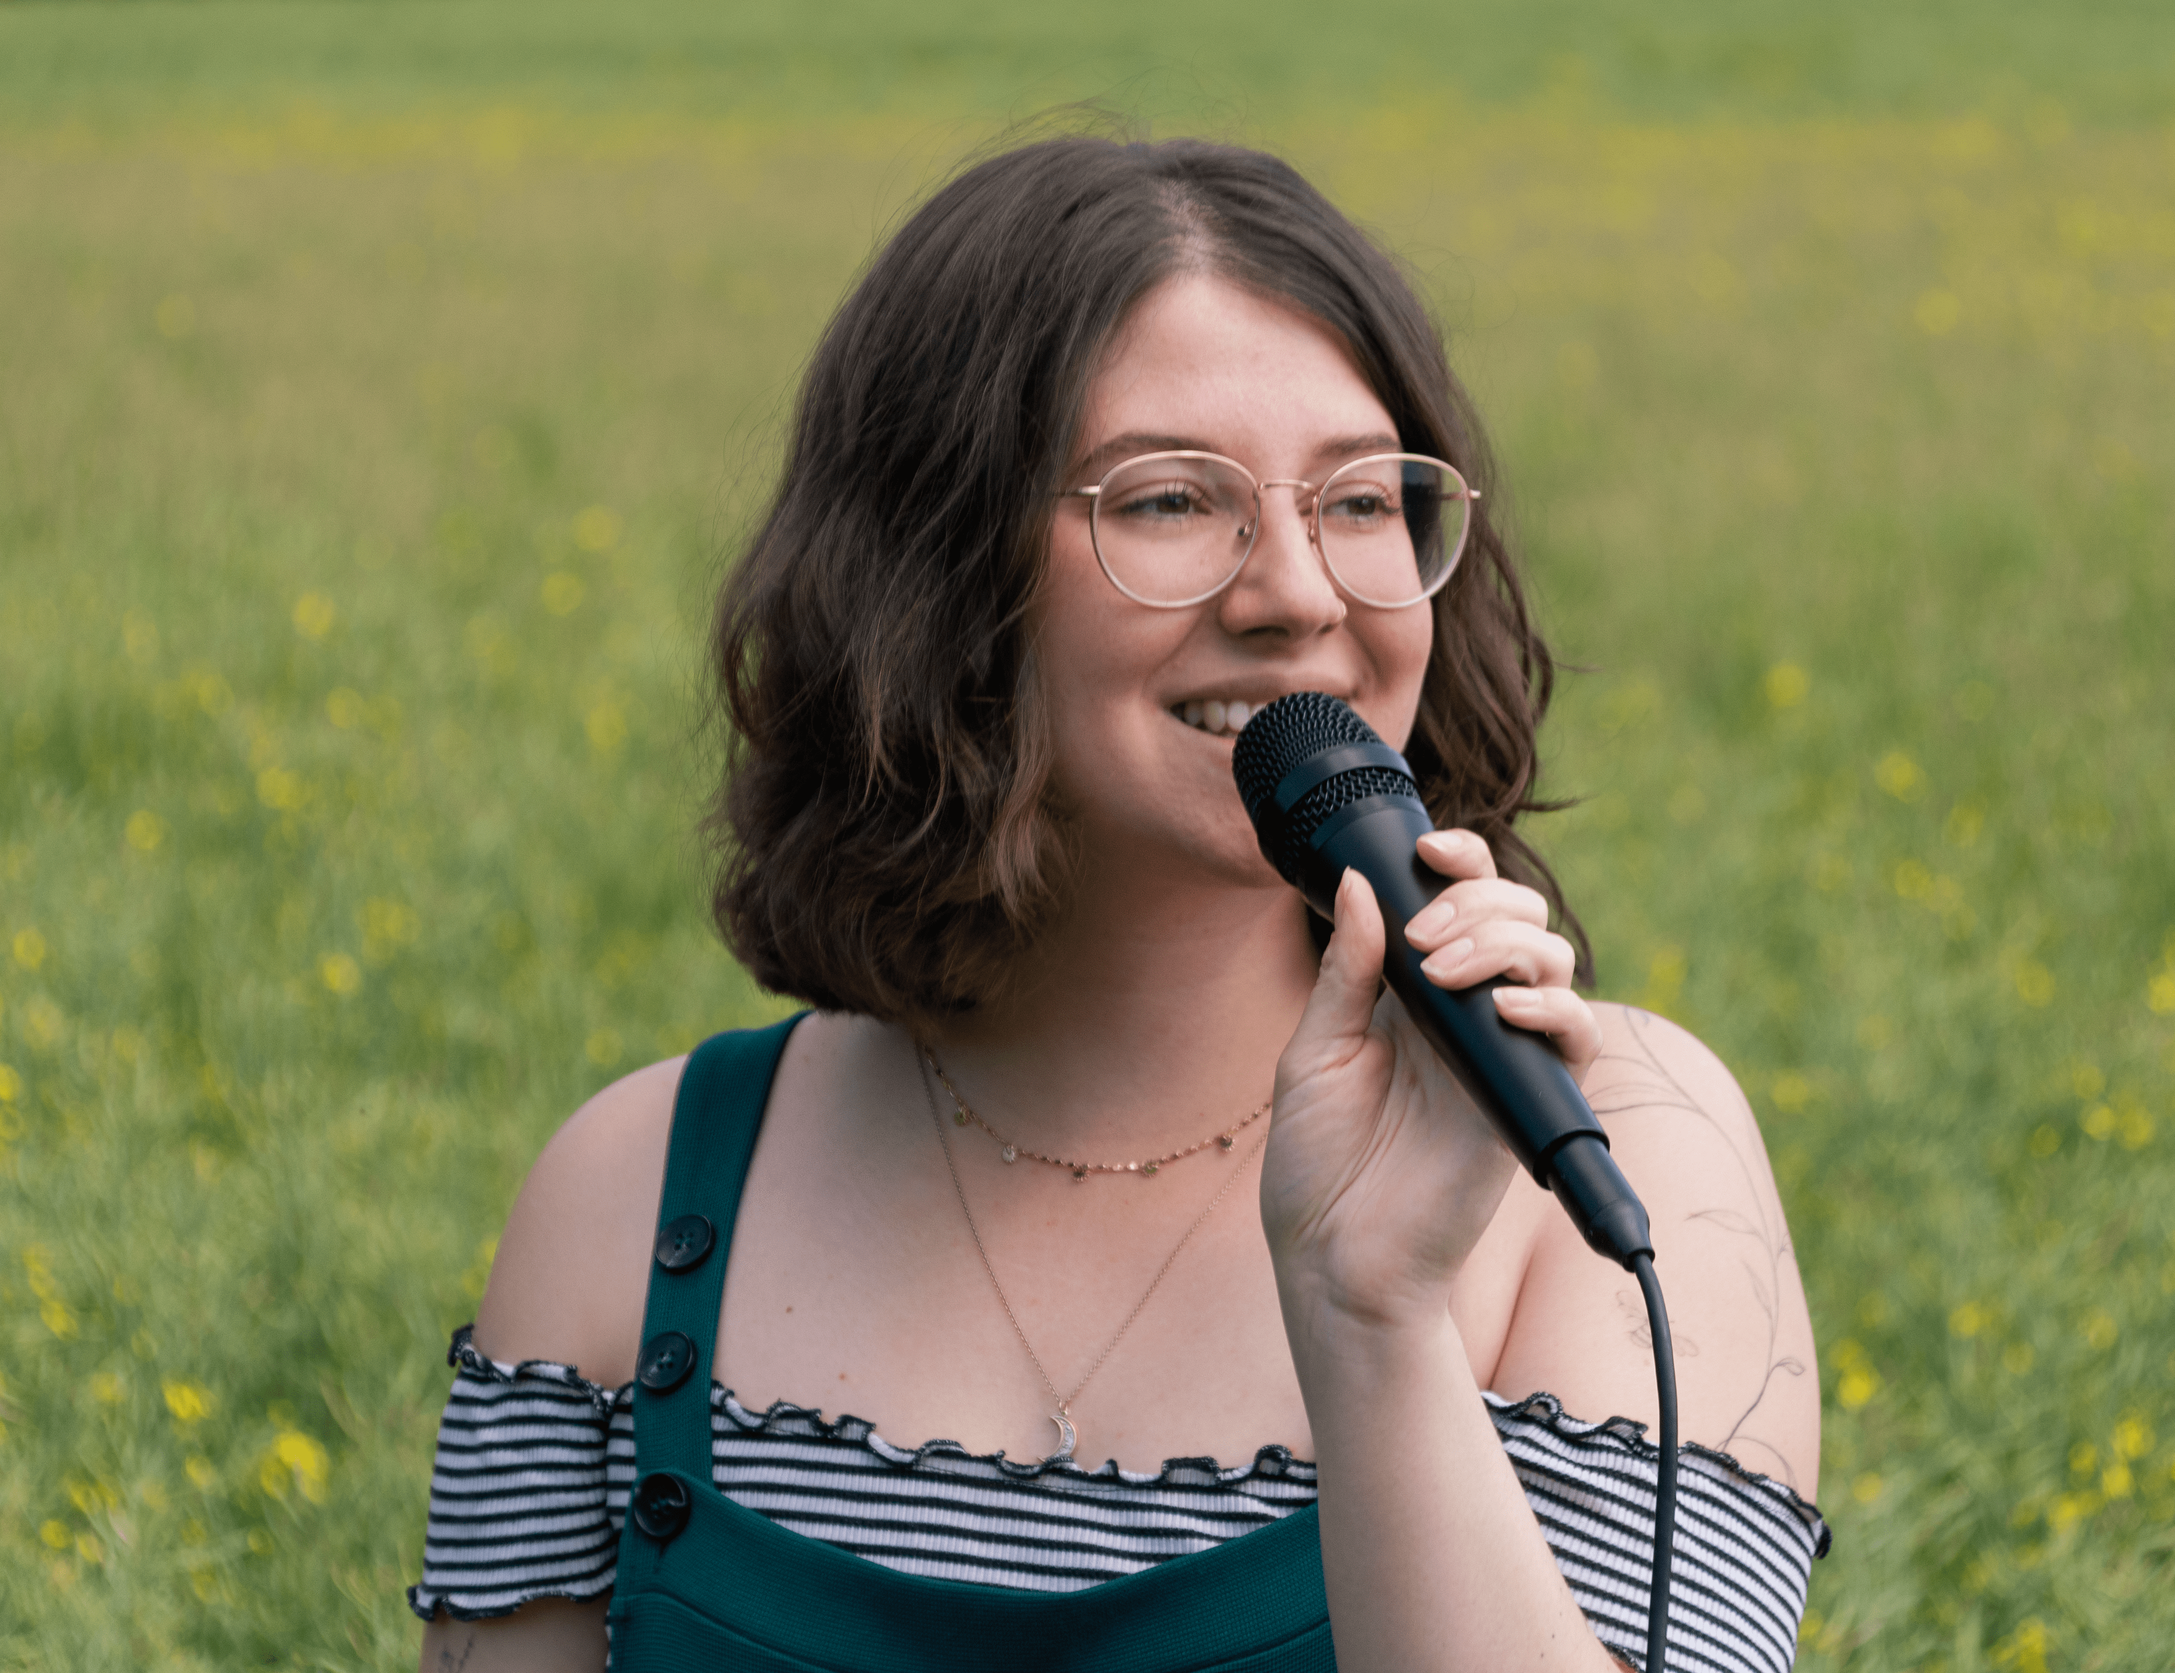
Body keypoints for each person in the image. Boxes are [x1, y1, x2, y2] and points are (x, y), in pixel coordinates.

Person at [410, 133, 1827, 1672]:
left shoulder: (1609, 1162)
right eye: (1169, 501)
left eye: (1363, 502)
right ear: (940, 574)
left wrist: (1375, 1325)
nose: (1295, 591)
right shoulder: (632, 1196)